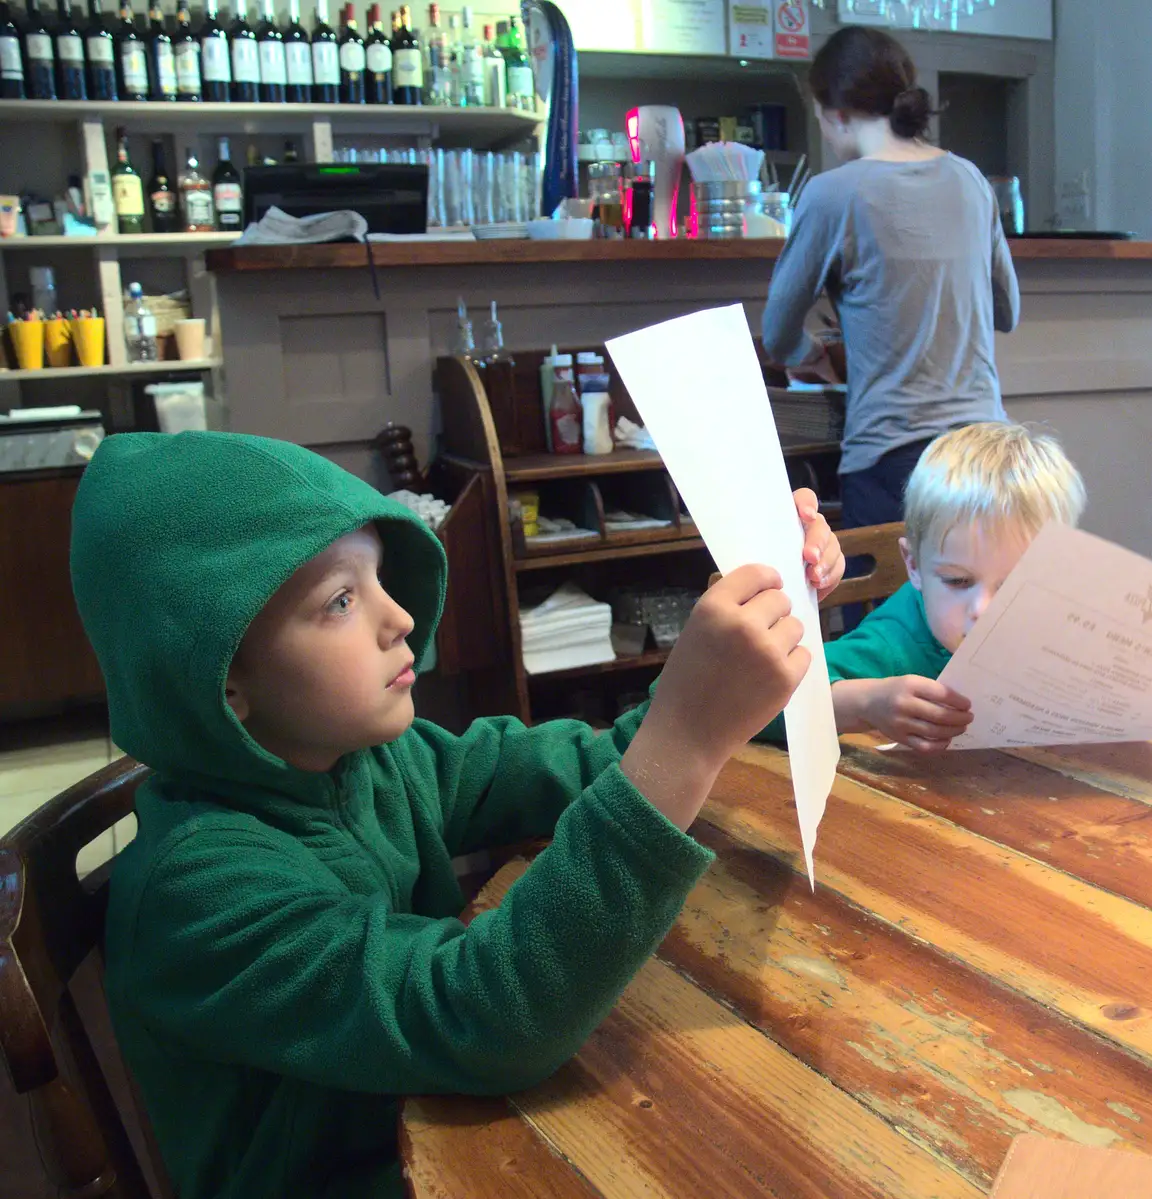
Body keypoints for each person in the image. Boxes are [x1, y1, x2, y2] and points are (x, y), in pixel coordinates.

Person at [69, 430, 844, 1199]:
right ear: (222, 679)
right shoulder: (196, 891)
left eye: (378, 575)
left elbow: (590, 762)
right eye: (339, 600)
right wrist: (684, 735)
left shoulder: (365, 760)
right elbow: (482, 1012)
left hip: (447, 1124)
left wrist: (745, 626)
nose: (399, 615)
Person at [761, 25, 1021, 532]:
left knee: (889, 612)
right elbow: (1008, 311)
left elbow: (777, 332)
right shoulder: (970, 179)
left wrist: (810, 355)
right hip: (985, 453)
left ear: (836, 112)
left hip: (891, 457)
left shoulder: (832, 193)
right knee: (979, 610)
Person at [761, 423, 1085, 752]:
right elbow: (757, 701)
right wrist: (864, 704)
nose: (984, 611)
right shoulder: (892, 643)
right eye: (958, 581)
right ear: (913, 565)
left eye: (1016, 587)